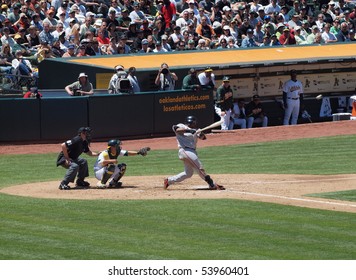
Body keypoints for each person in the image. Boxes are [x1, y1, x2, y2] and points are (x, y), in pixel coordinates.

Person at [163, 115, 225, 190]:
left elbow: (203, 138)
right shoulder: (181, 125)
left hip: (191, 152)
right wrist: (189, 130)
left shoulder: (196, 130)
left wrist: (200, 132)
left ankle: (168, 181)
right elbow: (177, 130)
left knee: (188, 173)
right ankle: (212, 184)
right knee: (199, 168)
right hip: (185, 151)